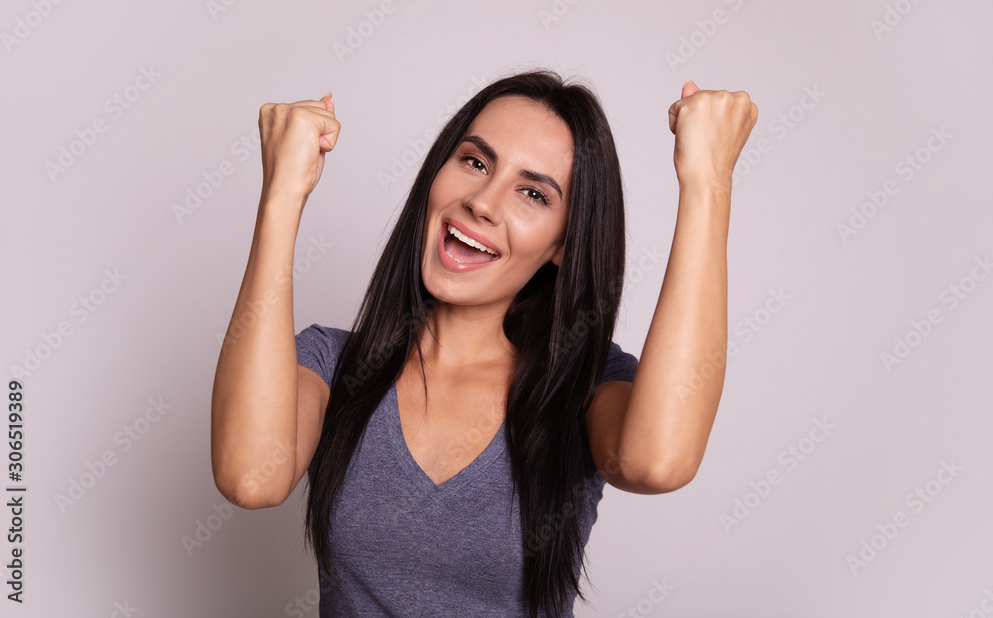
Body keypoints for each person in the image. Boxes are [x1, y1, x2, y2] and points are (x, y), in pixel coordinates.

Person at [211, 69, 757, 617]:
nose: (483, 202)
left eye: (533, 193)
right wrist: (282, 194)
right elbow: (251, 477)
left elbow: (657, 463)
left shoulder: (584, 386)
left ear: (563, 245)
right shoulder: (333, 366)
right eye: (474, 162)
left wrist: (708, 184)